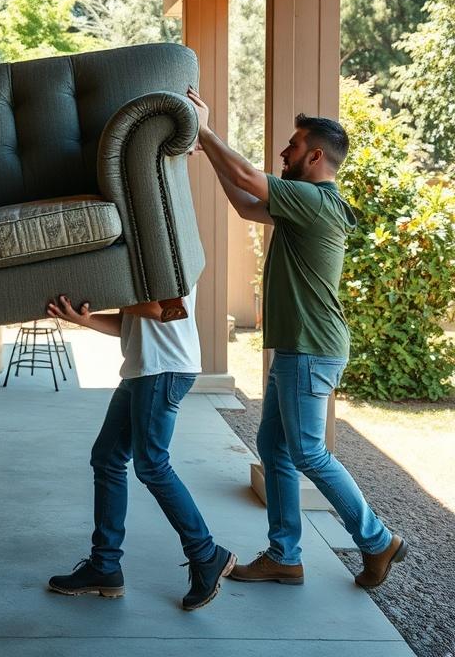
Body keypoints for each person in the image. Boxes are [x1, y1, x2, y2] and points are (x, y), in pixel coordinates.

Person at [186, 86, 406, 589]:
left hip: (312, 348)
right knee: (275, 446)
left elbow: (248, 177)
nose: (282, 153)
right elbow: (245, 203)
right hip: (298, 348)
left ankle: (376, 540)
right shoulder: (302, 204)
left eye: (290, 145)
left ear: (315, 155)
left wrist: (204, 129)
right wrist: (209, 153)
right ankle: (285, 556)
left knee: (308, 452)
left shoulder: (315, 201)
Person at [46, 288, 236, 611]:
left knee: (152, 465)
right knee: (107, 458)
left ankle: (207, 555)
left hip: (163, 368)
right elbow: (128, 322)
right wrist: (84, 319)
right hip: (143, 368)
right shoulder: (139, 253)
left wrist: (112, 287)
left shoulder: (170, 241)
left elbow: (168, 309)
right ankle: (104, 566)